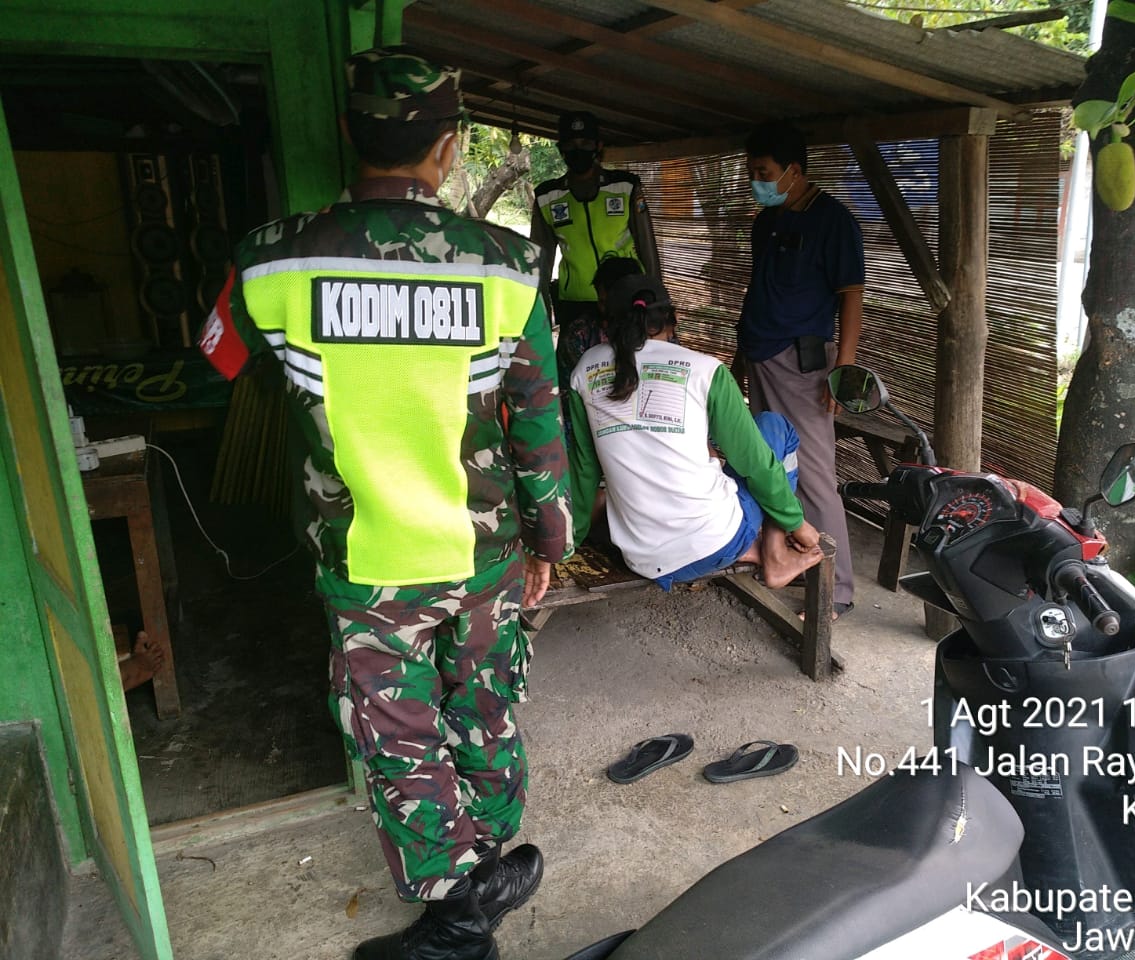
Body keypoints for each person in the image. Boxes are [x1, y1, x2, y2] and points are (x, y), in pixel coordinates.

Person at [197, 47, 571, 960]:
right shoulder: (509, 266)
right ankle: (487, 864)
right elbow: (539, 425)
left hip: (367, 562)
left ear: (346, 134)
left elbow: (217, 360)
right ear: (450, 146)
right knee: (484, 702)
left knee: (399, 729)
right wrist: (551, 539)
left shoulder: (271, 260)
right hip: (484, 553)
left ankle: (457, 908)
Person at [567, 275, 824, 591]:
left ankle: (757, 549)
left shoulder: (586, 369)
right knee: (774, 427)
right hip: (715, 545)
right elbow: (755, 464)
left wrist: (570, 540)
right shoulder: (705, 370)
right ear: (673, 319)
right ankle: (775, 550)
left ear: (608, 323)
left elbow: (584, 470)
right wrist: (796, 523)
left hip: (640, 556)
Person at [738, 120, 865, 619]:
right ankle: (783, 556)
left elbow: (851, 297)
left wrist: (844, 370)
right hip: (760, 355)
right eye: (752, 172)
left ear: (793, 170)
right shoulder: (766, 222)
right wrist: (741, 355)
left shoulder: (833, 221)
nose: (756, 181)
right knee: (769, 463)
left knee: (812, 473)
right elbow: (759, 291)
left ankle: (838, 591)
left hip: (803, 364)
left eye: (763, 172)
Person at [530, 111, 663, 395]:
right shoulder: (547, 197)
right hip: (574, 302)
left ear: (598, 146)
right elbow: (539, 261)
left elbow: (647, 247)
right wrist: (540, 311)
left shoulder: (625, 186)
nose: (577, 150)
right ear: (560, 149)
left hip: (626, 299)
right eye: (570, 145)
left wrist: (657, 298)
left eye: (585, 144)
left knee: (631, 370)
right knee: (576, 377)